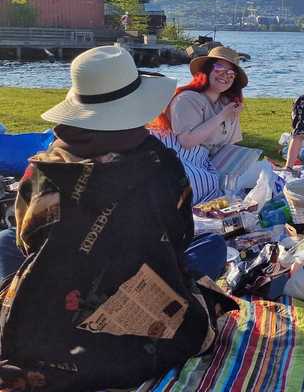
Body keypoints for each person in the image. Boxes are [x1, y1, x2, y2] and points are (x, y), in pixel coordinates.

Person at [0, 46, 235, 391]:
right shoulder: (164, 165)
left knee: (4, 242)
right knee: (212, 246)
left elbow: (27, 240)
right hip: (148, 314)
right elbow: (181, 234)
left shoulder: (44, 169)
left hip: (47, 317)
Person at [150, 46, 265, 204]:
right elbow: (186, 141)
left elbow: (230, 145)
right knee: (194, 184)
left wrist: (231, 118)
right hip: (178, 155)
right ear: (207, 70)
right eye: (219, 68)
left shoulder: (227, 105)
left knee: (259, 175)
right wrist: (222, 116)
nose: (225, 75)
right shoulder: (187, 98)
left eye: (231, 73)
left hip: (206, 161)